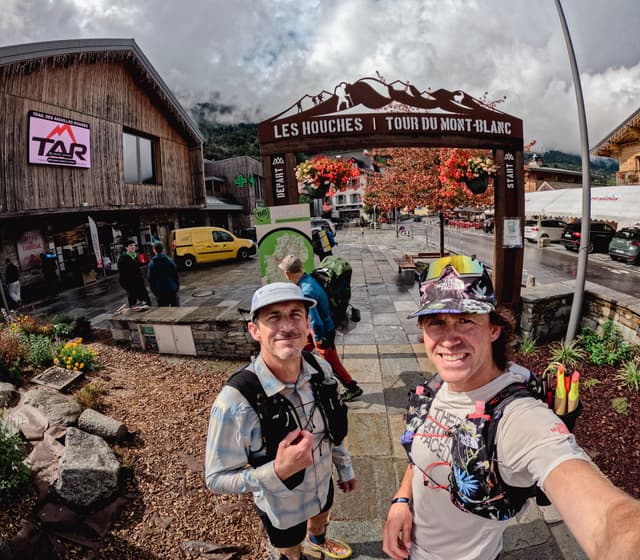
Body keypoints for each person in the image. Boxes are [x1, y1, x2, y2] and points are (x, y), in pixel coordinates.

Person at [383, 255, 640, 560]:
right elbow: (422, 450)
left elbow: (607, 520)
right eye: (436, 322)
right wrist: (402, 499)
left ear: (494, 329)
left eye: (466, 320)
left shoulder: (517, 417)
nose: (449, 340)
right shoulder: (438, 383)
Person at [205, 282, 356, 560]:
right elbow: (215, 479)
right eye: (273, 317)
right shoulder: (236, 401)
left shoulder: (320, 370)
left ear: (307, 324)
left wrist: (344, 466)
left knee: (321, 517)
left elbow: (332, 428)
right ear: (255, 331)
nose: (286, 326)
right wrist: (275, 471)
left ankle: (317, 539)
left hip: (323, 484)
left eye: (295, 314)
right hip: (283, 508)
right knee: (290, 551)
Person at [279, 255, 363, 402]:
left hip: (323, 331)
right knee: (301, 351)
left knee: (331, 363)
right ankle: (303, 379)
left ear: (287, 273)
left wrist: (319, 339)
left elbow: (316, 322)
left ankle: (352, 387)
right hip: (318, 328)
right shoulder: (308, 279)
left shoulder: (307, 291)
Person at [117, 241, 151, 308]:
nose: (133, 247)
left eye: (134, 245)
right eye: (131, 245)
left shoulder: (135, 256)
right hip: (132, 287)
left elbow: (139, 267)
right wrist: (129, 288)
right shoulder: (124, 259)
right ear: (126, 248)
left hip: (139, 284)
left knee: (146, 304)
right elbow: (122, 276)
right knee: (135, 305)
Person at [147, 241, 179, 306]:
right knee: (175, 309)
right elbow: (175, 275)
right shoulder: (170, 260)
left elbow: (151, 279)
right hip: (172, 289)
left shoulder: (152, 264)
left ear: (154, 250)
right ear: (162, 249)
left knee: (164, 310)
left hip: (160, 291)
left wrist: (155, 292)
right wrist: (176, 286)